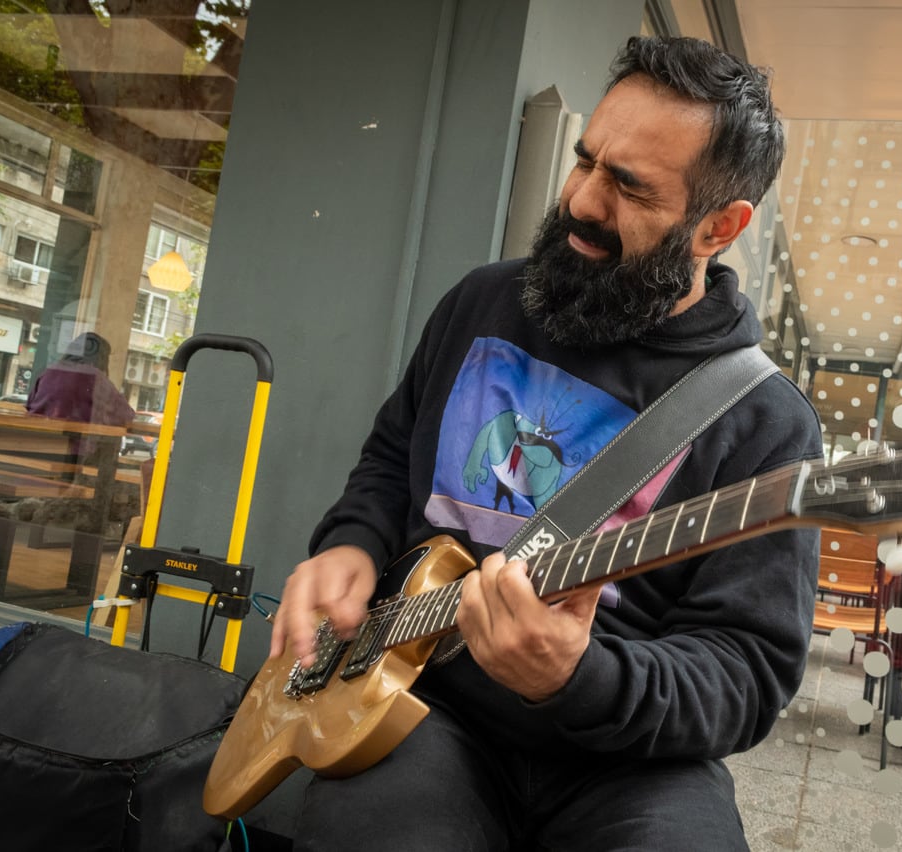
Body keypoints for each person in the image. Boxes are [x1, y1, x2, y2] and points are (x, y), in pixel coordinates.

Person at [273, 35, 822, 851]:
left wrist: (581, 677)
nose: (582, 202)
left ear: (720, 227)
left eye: (628, 186)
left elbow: (744, 675)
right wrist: (351, 542)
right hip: (421, 703)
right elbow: (392, 459)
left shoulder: (766, 424)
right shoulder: (481, 302)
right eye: (585, 161)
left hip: (630, 760)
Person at [26, 331, 135, 454]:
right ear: (102, 358)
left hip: (34, 445)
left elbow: (30, 405)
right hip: (72, 455)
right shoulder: (94, 377)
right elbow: (126, 416)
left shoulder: (48, 372)